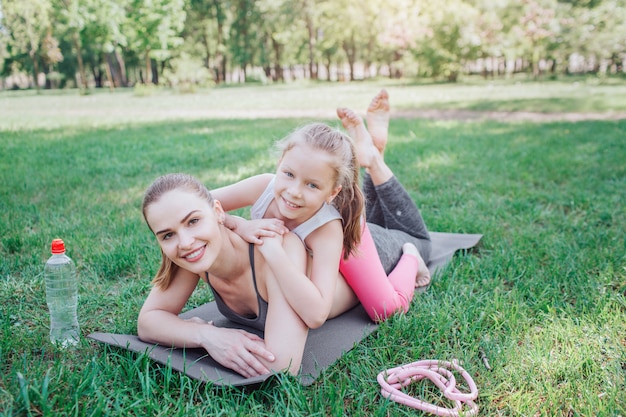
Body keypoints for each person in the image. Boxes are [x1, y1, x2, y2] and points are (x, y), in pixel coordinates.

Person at [212, 89, 432, 323]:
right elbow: (196, 203)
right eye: (288, 173)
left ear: (333, 193)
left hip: (362, 244)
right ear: (279, 163)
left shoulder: (328, 230)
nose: (294, 192)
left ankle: (376, 163)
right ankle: (371, 154)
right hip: (347, 224)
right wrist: (238, 224)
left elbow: (318, 310)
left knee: (385, 308)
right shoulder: (264, 186)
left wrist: (410, 254)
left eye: (312, 185)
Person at [137, 173, 314, 378]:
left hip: (351, 270)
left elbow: (282, 364)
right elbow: (148, 321)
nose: (185, 242)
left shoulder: (275, 249)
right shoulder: (192, 254)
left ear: (218, 212)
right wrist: (207, 336)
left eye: (193, 221)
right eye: (168, 235)